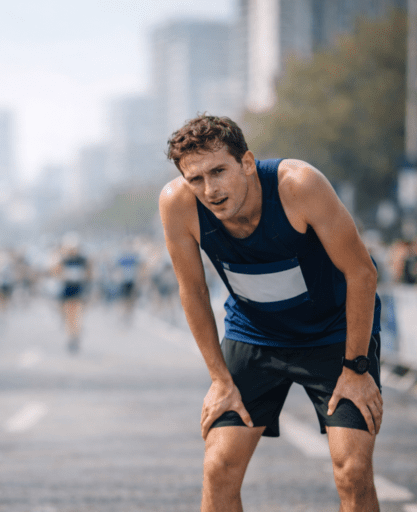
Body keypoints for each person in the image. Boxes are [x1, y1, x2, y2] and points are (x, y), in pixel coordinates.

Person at [157, 114, 383, 511]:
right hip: (254, 337)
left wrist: (357, 368)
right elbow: (192, 291)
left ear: (246, 162)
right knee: (218, 466)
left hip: (333, 337)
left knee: (352, 470)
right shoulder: (178, 205)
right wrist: (219, 379)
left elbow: (362, 273)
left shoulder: (298, 186)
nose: (209, 190)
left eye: (218, 171)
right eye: (196, 179)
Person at [52, 233, 91, 354]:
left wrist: (85, 278)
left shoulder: (83, 260)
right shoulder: (63, 260)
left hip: (79, 290)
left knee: (77, 314)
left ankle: (76, 335)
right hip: (67, 290)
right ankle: (71, 336)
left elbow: (89, 273)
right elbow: (56, 272)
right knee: (69, 316)